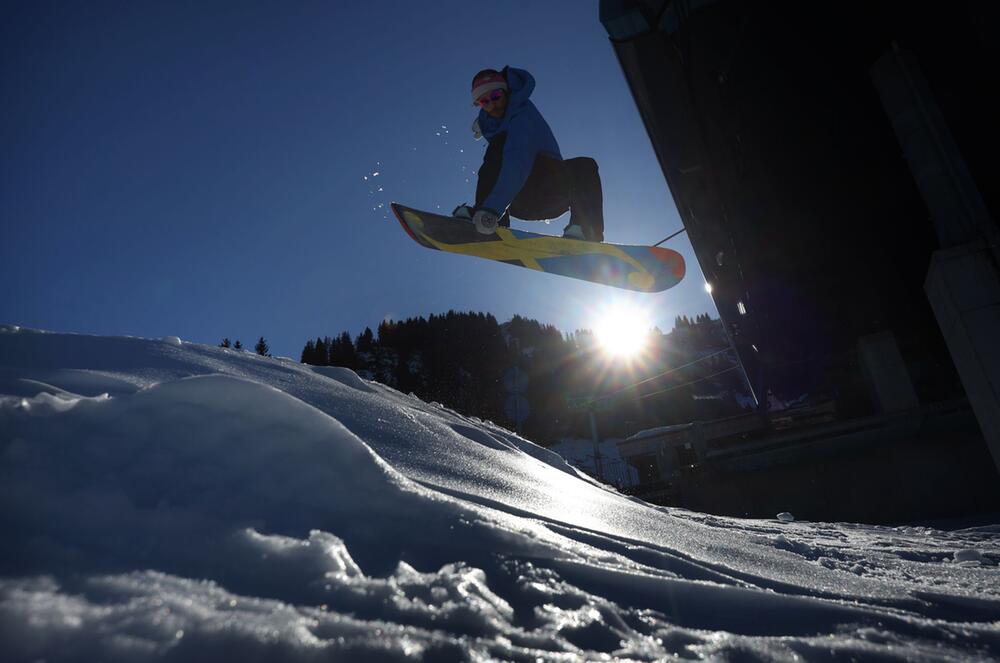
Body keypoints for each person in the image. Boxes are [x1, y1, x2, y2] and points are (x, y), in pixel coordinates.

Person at [454, 67, 605, 242]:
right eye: (484, 101)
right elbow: (494, 166)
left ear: (507, 92)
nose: (492, 104)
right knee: (497, 150)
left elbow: (517, 162)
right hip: (518, 202)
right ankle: (490, 221)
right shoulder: (489, 120)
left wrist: (492, 208)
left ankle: (586, 230)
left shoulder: (522, 116)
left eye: (496, 96)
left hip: (550, 193)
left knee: (584, 166)